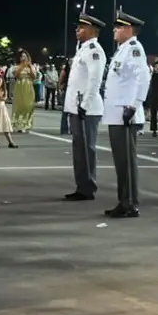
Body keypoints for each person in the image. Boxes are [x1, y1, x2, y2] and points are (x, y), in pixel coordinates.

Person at [102, 12, 148, 218]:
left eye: (119, 27)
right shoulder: (122, 50)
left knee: (126, 162)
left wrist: (134, 105)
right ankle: (124, 201)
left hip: (125, 114)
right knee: (121, 162)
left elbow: (143, 78)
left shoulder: (134, 49)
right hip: (117, 114)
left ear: (129, 29)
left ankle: (129, 203)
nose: (115, 30)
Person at [63, 13, 107, 201]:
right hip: (77, 107)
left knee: (86, 149)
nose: (77, 30)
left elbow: (95, 80)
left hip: (86, 109)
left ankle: (88, 187)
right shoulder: (83, 49)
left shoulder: (94, 51)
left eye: (81, 27)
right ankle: (81, 186)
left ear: (91, 31)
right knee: (79, 149)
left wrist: (85, 105)